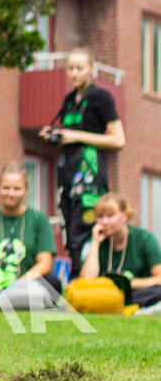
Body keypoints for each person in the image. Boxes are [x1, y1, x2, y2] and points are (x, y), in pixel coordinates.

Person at [38, 47, 125, 269]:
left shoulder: (102, 98)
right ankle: (77, 277)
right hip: (67, 172)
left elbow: (118, 140)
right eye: (70, 68)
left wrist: (77, 136)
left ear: (91, 69)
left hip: (89, 175)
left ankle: (87, 277)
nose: (74, 73)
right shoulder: (69, 99)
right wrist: (55, 135)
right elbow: (69, 136)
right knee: (68, 229)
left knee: (84, 229)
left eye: (79, 68)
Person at [0, 163, 59, 308]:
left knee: (53, 283)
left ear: (26, 189)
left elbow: (45, 264)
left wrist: (19, 282)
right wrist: (0, 281)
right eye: (6, 188)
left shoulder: (39, 219)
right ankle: (18, 300)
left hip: (28, 282)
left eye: (17, 189)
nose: (11, 193)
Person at [78, 192, 161, 313]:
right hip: (107, 293)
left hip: (138, 292)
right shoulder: (94, 241)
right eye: (100, 216)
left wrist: (128, 284)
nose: (104, 222)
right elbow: (86, 280)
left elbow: (159, 278)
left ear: (124, 216)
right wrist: (95, 243)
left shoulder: (144, 238)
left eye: (110, 216)